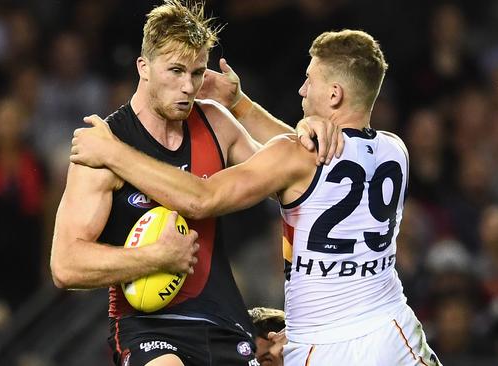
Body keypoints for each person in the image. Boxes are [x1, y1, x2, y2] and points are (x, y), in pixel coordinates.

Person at [71, 28, 442, 365]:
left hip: (323, 344)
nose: (301, 90)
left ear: (334, 93)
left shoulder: (293, 155)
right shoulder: (396, 150)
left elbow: (203, 198)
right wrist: (241, 103)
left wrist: (112, 153)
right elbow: (320, 168)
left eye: (309, 80)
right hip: (396, 330)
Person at [50, 1, 339, 365]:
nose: (188, 86)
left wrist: (304, 130)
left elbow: (296, 177)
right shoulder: (103, 147)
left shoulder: (216, 123)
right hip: (149, 329)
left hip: (225, 322)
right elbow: (65, 265)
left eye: (197, 72)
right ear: (144, 68)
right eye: (175, 71)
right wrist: (154, 257)